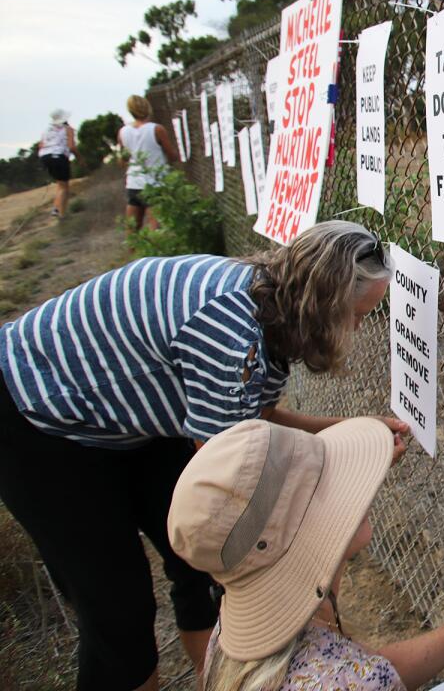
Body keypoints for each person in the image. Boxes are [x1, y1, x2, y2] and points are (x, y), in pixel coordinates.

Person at [0, 221, 409, 691]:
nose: (359, 327)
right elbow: (232, 480)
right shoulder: (233, 335)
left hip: (126, 412)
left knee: (200, 569)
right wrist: (353, 458)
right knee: (119, 608)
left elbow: (257, 416)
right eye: (358, 315)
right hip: (37, 414)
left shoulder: (273, 299)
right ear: (324, 303)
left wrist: (353, 433)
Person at [170, 418, 444, 691]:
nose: (359, 488)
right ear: (308, 534)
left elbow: (372, 669)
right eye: (335, 483)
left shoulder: (233, 640)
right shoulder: (343, 683)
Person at [118, 94, 180, 230]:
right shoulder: (157, 129)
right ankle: (157, 250)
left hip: (134, 183)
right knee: (155, 227)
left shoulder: (123, 132)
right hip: (156, 182)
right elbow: (171, 155)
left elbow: (123, 160)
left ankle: (134, 251)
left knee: (133, 228)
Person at [38, 108, 75, 217]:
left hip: (45, 157)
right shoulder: (68, 129)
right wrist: (80, 158)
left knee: (60, 184)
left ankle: (58, 209)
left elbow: (40, 145)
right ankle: (60, 211)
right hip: (59, 156)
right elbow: (71, 146)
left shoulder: (46, 130)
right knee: (64, 186)